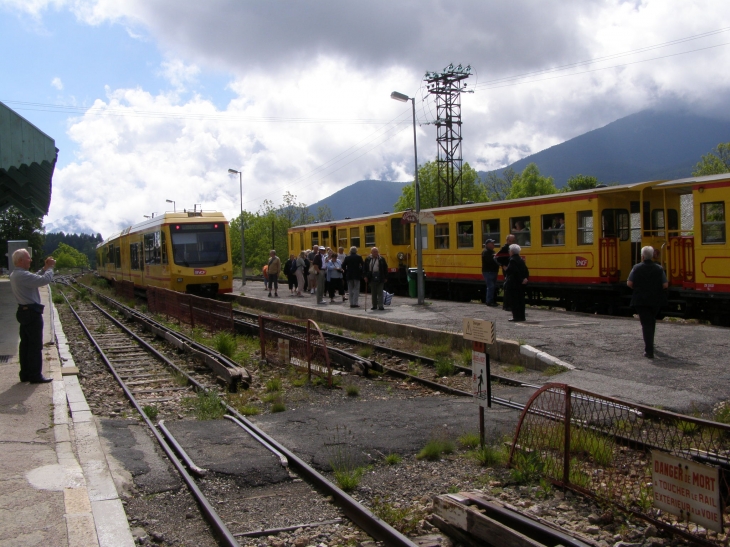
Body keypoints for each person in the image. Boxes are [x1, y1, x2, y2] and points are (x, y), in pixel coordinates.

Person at [9, 249, 56, 383]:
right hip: (31, 313)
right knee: (35, 346)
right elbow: (43, 280)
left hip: (23, 311)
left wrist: (44, 268)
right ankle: (35, 375)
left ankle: (25, 374)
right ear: (20, 261)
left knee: (25, 345)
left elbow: (34, 278)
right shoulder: (22, 275)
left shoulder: (17, 274)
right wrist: (50, 268)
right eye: (28, 258)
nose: (30, 260)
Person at [627, 246, 668, 359]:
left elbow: (629, 283)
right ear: (652, 256)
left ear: (642, 256)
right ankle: (651, 345)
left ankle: (649, 351)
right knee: (651, 321)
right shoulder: (659, 268)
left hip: (640, 300)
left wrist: (639, 287)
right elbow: (665, 285)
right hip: (656, 300)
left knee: (646, 324)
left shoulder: (636, 268)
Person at [504, 244, 529, 322]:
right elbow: (526, 270)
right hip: (521, 284)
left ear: (511, 251)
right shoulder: (520, 259)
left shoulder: (512, 260)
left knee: (514, 301)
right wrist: (525, 278)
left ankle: (516, 317)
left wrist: (505, 268)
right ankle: (522, 316)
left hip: (514, 284)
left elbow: (513, 271)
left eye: (509, 250)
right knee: (521, 300)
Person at [495, 234, 516, 311]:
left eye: (513, 241)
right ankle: (507, 305)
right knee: (508, 287)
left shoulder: (513, 248)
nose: (511, 242)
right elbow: (496, 257)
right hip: (507, 270)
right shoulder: (504, 248)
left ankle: (510, 304)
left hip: (511, 269)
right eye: (510, 241)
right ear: (507, 241)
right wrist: (503, 265)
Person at [481, 239, 499, 307]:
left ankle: (493, 300)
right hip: (488, 271)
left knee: (493, 287)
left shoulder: (492, 252)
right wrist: (495, 257)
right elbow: (489, 260)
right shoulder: (485, 252)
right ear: (488, 244)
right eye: (492, 243)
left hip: (493, 271)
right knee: (491, 287)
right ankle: (489, 301)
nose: (493, 244)